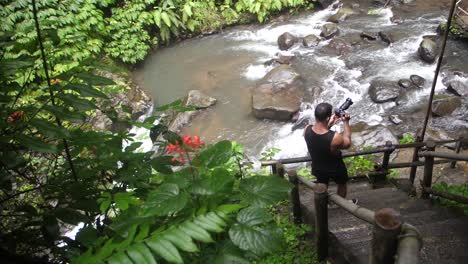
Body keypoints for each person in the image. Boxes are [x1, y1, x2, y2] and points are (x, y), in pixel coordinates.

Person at [303, 102, 353, 200]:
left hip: (318, 166)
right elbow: (347, 143)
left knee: (322, 186)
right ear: (327, 118)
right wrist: (346, 122)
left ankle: (322, 203)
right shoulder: (335, 137)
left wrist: (328, 125)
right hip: (335, 167)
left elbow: (319, 138)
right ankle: (339, 204)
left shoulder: (306, 129)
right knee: (342, 184)